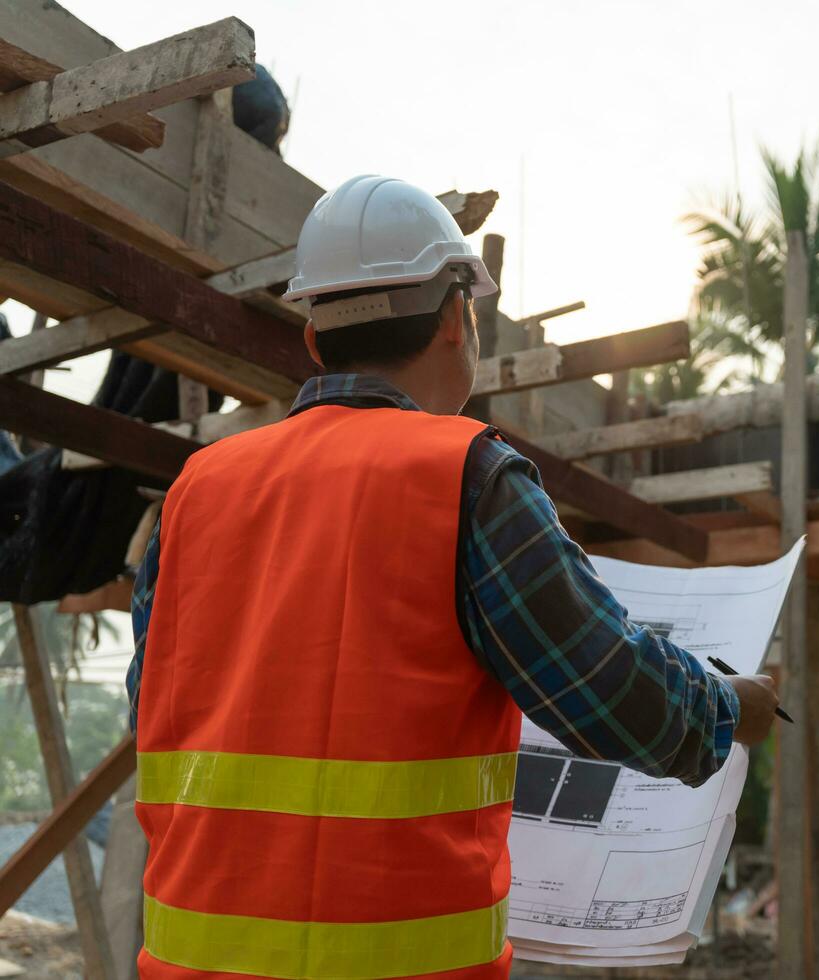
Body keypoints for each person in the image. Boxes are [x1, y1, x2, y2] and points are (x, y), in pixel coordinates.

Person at [125, 175, 780, 979]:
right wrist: (727, 707)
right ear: (454, 317)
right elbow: (618, 698)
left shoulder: (195, 491)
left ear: (312, 338)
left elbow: (153, 715)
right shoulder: (467, 476)